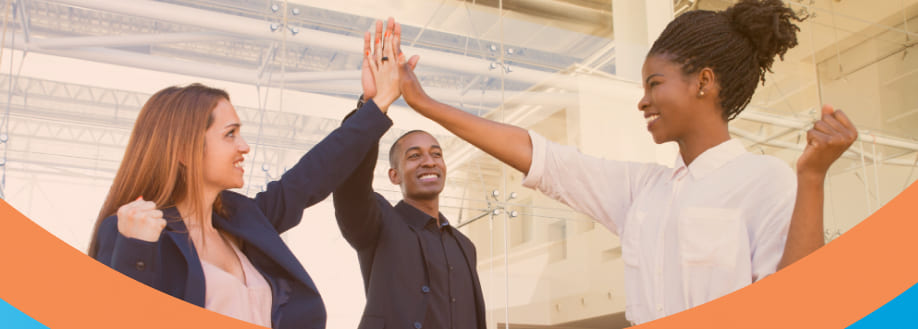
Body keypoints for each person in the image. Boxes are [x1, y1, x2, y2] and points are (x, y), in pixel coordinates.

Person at [395, 0, 857, 324]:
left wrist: (812, 178)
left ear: (704, 82)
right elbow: (544, 157)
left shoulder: (765, 181)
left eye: (655, 84)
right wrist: (424, 102)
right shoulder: (644, 192)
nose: (643, 101)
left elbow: (798, 306)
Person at [86, 19, 402, 329]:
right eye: (230, 134)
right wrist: (136, 251)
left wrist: (374, 105)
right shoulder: (131, 232)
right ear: (184, 151)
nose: (245, 146)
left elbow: (314, 173)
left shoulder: (244, 221)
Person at [332, 19, 486, 329]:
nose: (429, 161)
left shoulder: (465, 246)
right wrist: (374, 105)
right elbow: (349, 182)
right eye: (414, 156)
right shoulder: (377, 223)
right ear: (394, 175)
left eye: (436, 154)